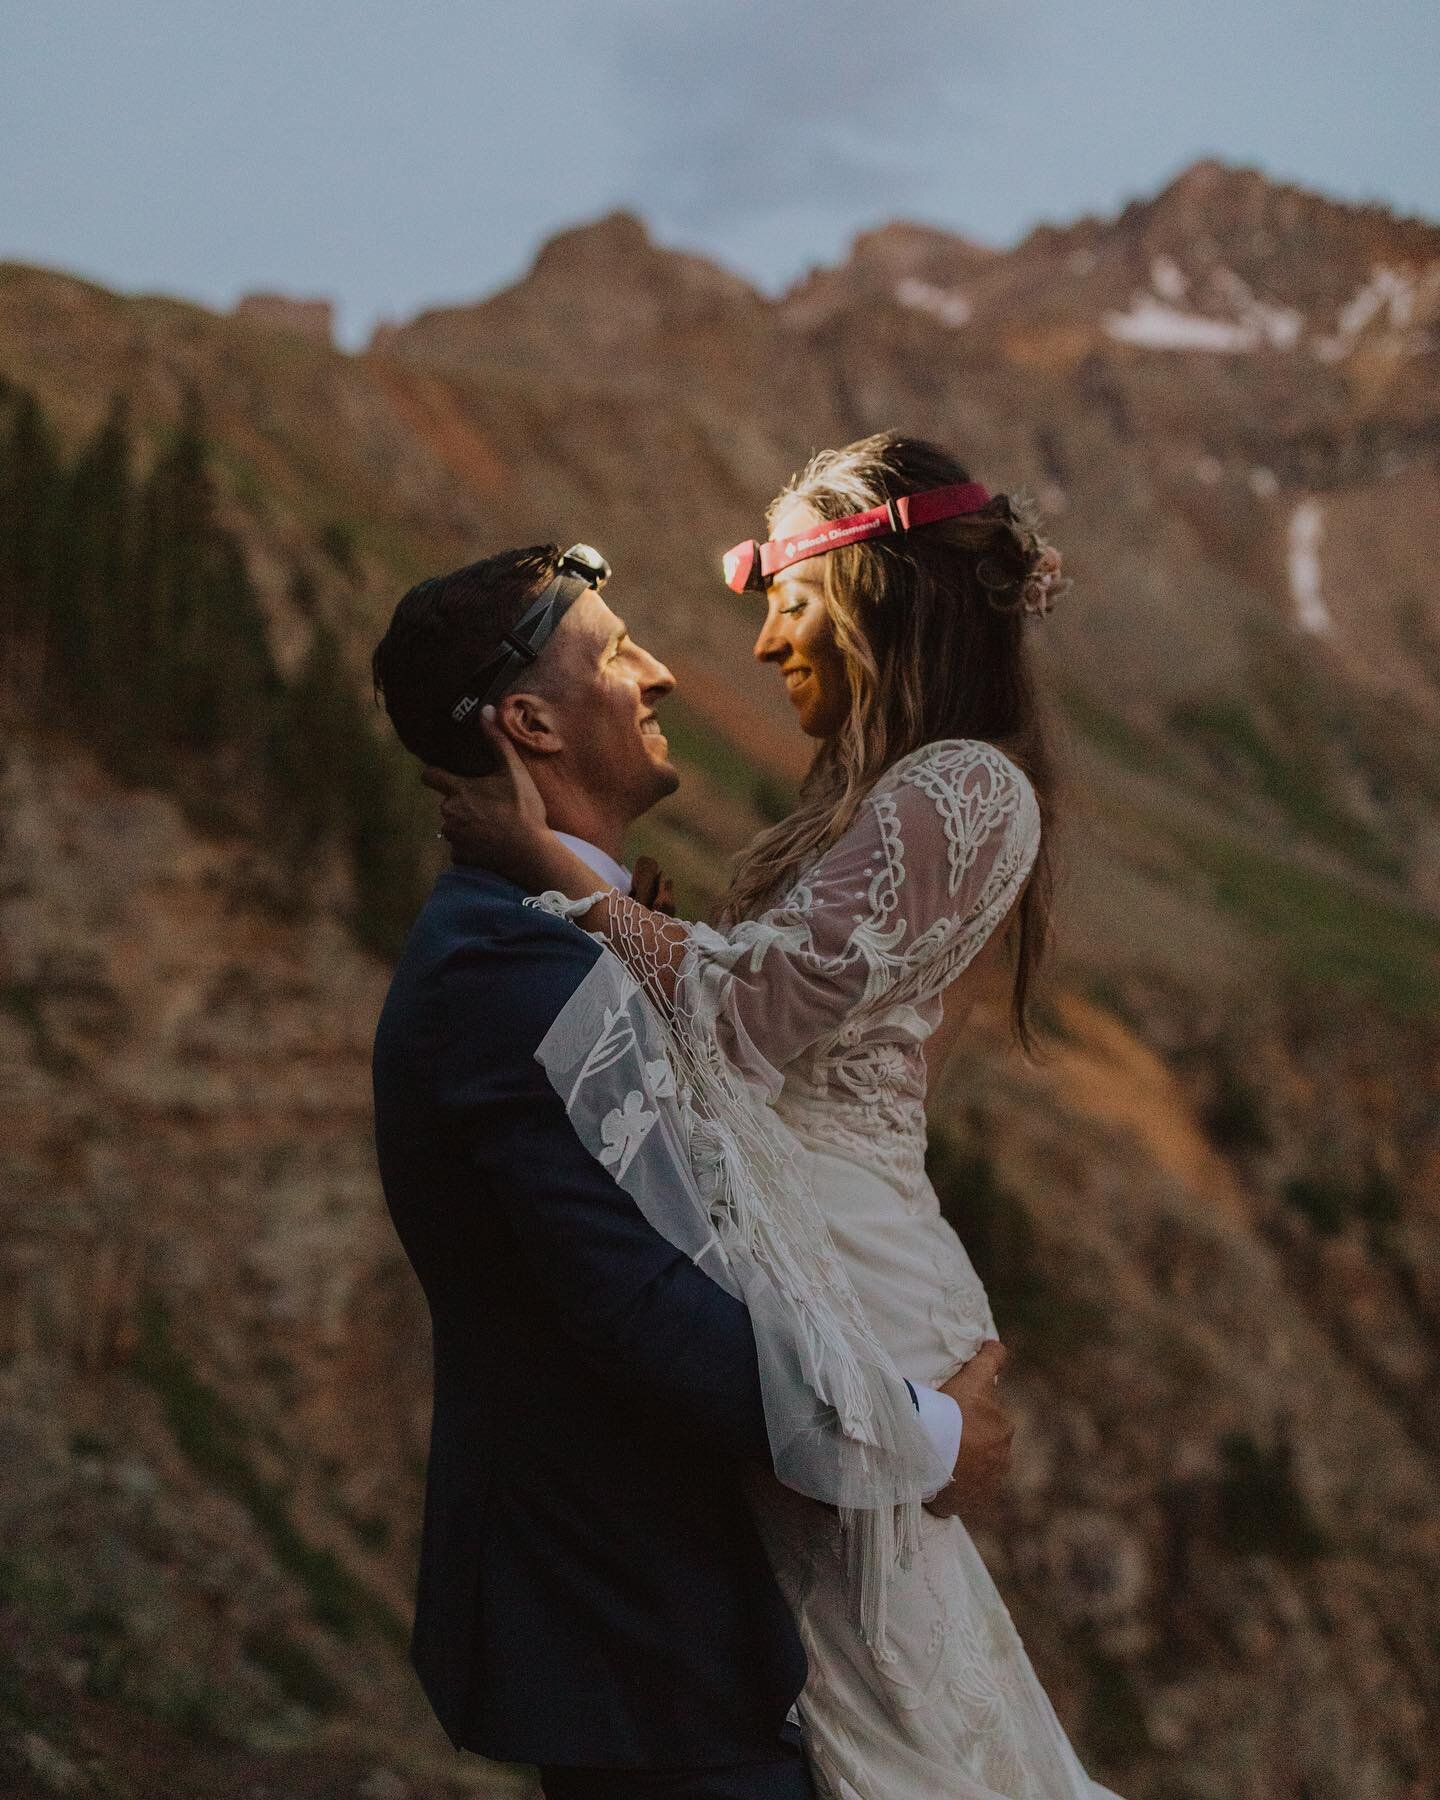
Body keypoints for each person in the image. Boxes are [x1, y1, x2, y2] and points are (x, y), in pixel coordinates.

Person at [426, 432, 1122, 1799]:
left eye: (787, 603)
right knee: (865, 1685)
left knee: (882, 1692)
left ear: (873, 599)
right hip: (816, 1254)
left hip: (850, 1270)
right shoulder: (887, 797)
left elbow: (754, 1017)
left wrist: (552, 873)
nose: (759, 647)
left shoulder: (965, 787)